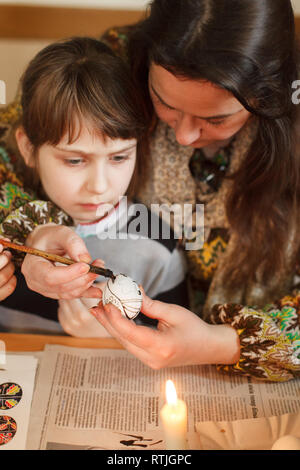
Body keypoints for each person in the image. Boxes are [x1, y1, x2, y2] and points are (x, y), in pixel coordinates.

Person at [0, 0, 299, 381]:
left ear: (268, 97)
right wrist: (31, 234)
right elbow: (10, 146)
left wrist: (225, 343)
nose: (184, 135)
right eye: (164, 103)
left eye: (216, 119)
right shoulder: (114, 64)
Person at [0, 36, 188, 336]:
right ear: (27, 148)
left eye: (119, 157)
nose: (99, 186)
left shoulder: (158, 248)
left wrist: (113, 338)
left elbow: (177, 347)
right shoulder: (6, 233)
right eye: (75, 161)